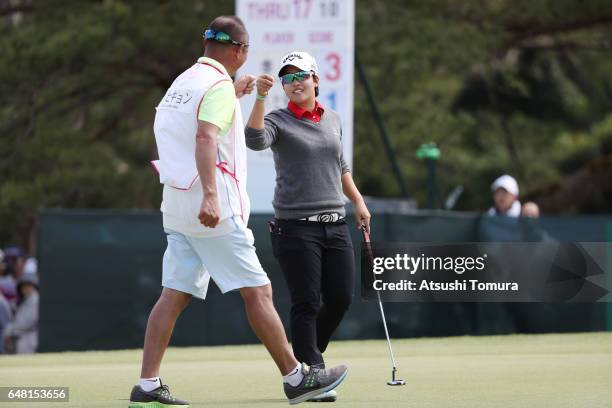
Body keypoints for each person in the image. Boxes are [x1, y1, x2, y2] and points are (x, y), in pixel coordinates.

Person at [129, 17, 348, 408]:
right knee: (258, 291)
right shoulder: (215, 87)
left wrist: (234, 92)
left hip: (176, 204)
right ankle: (297, 378)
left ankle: (147, 385)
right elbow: (205, 135)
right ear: (240, 51)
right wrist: (211, 196)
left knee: (173, 295)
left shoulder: (184, 82)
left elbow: (189, 121)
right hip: (211, 208)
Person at [245, 51, 370, 403]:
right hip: (295, 228)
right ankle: (313, 371)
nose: (294, 82)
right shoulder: (277, 120)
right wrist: (258, 97)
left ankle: (306, 367)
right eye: (287, 78)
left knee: (341, 298)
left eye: (301, 75)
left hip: (335, 224)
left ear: (316, 80)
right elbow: (254, 140)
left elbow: (341, 165)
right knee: (306, 302)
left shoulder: (332, 118)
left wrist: (358, 202)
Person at [3, 273, 39, 354]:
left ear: (34, 286)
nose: (25, 288)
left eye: (28, 285)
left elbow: (26, 322)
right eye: (23, 286)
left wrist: (9, 331)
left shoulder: (35, 300)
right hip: (21, 339)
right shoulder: (24, 300)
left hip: (29, 340)